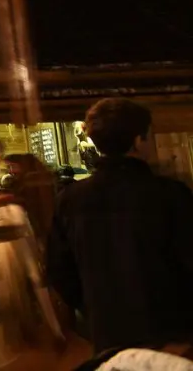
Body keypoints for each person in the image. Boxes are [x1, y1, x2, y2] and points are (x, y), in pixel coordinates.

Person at [47, 98, 193, 353]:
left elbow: (59, 271)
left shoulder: (70, 200)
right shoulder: (171, 195)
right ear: (138, 141)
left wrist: (93, 308)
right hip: (172, 336)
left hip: (108, 335)